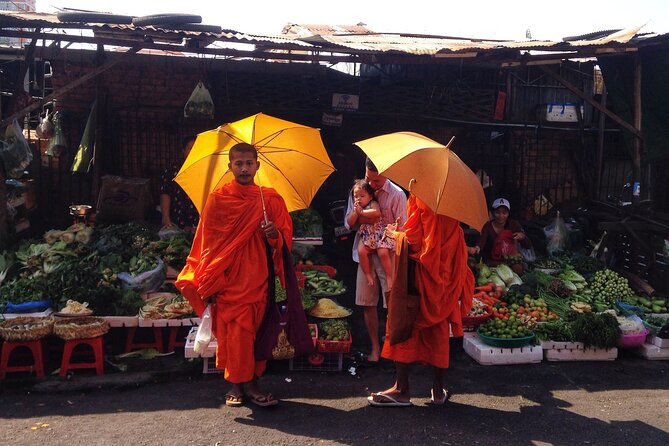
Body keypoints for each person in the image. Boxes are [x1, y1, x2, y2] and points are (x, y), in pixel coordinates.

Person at [175, 142, 293, 408]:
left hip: (258, 278)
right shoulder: (218, 200)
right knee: (234, 335)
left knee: (255, 333)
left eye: (248, 163)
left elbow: (284, 238)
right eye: (238, 164)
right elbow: (208, 242)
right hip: (229, 280)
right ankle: (237, 385)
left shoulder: (270, 199)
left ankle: (252, 382)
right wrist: (211, 278)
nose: (243, 168)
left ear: (257, 166)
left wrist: (273, 235)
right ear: (229, 167)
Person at [368, 194, 474, 407]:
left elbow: (418, 244)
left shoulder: (422, 197)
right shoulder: (454, 202)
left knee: (406, 325)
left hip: (420, 279)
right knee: (439, 330)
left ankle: (402, 389)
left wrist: (395, 235)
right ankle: (437, 390)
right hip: (445, 281)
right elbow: (448, 239)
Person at [344, 157, 407, 364]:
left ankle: (392, 346)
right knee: (367, 302)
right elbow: (348, 224)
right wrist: (363, 218)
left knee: (392, 303)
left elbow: (402, 229)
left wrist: (382, 242)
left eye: (377, 181)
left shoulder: (397, 194)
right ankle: (375, 348)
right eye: (368, 179)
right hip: (365, 252)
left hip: (387, 253)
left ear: (387, 173)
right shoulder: (358, 190)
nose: (372, 184)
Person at [346, 179, 395, 291]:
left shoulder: (373, 203)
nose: (358, 199)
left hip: (378, 234)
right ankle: (367, 274)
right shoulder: (356, 208)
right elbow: (350, 222)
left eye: (362, 196)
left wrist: (362, 213)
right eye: (356, 196)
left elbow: (376, 213)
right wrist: (355, 212)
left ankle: (389, 276)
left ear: (370, 196)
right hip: (367, 236)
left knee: (383, 252)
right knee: (361, 251)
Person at [467, 197, 532, 272]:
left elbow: (528, 245)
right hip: (492, 260)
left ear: (508, 214)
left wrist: (522, 237)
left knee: (517, 269)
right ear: (493, 213)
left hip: (511, 260)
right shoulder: (488, 226)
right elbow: (481, 241)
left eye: (504, 213)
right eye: (498, 212)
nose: (501, 216)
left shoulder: (514, 225)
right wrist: (477, 248)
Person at [160, 135, 199, 233]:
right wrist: (165, 217)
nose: (193, 152)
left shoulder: (204, 170)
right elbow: (165, 192)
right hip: (177, 218)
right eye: (190, 148)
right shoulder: (173, 169)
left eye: (196, 149)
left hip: (198, 221)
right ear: (183, 150)